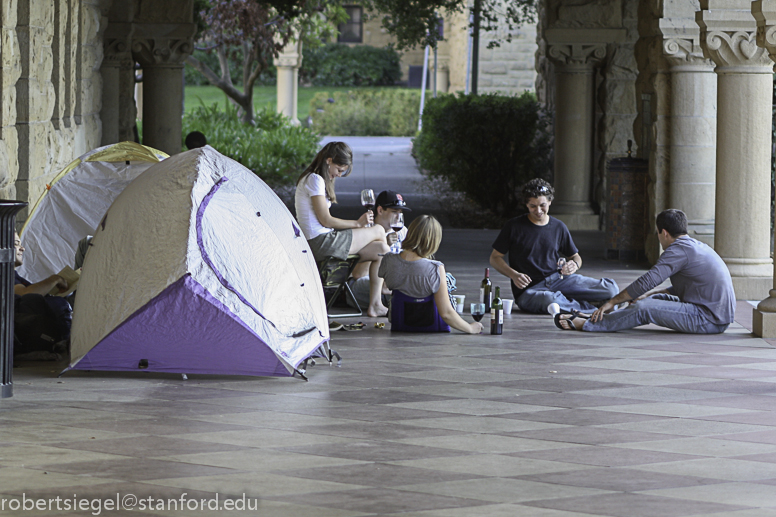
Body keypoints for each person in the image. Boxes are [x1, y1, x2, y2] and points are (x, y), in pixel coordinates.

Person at [556, 209, 735, 334]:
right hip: (714, 315)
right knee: (648, 299)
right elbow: (692, 286)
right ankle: (596, 317)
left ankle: (589, 324)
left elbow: (649, 280)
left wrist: (612, 301)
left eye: (657, 234)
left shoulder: (677, 250)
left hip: (708, 320)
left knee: (644, 308)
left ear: (664, 233)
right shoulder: (694, 246)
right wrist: (650, 294)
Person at [489, 179, 618, 314]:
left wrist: (574, 264)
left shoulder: (558, 227)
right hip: (530, 290)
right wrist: (514, 275)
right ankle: (595, 308)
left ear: (550, 201)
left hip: (559, 280)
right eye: (533, 206)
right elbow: (495, 258)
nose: (538, 210)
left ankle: (575, 303)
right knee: (550, 300)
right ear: (526, 205)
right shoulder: (514, 226)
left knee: (610, 289)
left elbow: (575, 257)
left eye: (542, 205)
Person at [295, 141, 390, 317]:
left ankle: (375, 304)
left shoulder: (316, 179)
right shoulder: (314, 179)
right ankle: (377, 282)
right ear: (328, 160)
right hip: (320, 242)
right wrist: (357, 224)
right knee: (378, 230)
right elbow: (325, 220)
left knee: (381, 249)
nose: (338, 175)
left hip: (324, 240)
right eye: (339, 170)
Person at [379, 215, 483, 334]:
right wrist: (470, 328)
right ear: (433, 240)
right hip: (433, 325)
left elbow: (385, 288)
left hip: (400, 324)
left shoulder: (388, 260)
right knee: (447, 279)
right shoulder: (435, 268)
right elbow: (446, 314)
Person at [346, 190, 411, 310]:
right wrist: (383, 244)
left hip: (392, 283)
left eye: (400, 213)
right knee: (403, 288)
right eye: (394, 212)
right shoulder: (364, 231)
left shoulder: (402, 231)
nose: (398, 217)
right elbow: (358, 274)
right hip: (362, 284)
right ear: (380, 210)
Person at [13, 233, 72, 355]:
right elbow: (25, 294)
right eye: (16, 244)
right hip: (35, 332)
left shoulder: (14, 275)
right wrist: (54, 279)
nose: (22, 248)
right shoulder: (4, 273)